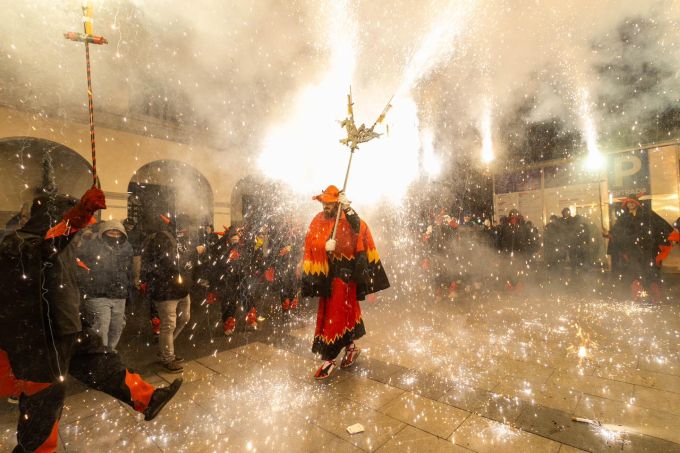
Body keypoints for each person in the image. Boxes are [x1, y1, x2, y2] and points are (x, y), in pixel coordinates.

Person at [0, 188, 182, 453]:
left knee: (104, 364)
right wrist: (78, 217)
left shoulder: (56, 243)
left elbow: (60, 274)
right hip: (39, 341)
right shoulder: (19, 243)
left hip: (68, 328)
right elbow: (46, 247)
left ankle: (148, 399)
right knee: (44, 406)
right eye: (66, 219)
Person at [301, 185, 389, 380]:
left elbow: (361, 229)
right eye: (324, 203)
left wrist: (348, 209)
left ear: (337, 204)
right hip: (327, 275)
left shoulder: (347, 219)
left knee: (336, 314)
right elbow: (311, 241)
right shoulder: (317, 220)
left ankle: (329, 358)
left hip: (345, 275)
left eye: (330, 204)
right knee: (336, 313)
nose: (325, 206)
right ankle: (351, 348)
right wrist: (324, 246)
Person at [141, 214, 204, 373]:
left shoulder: (182, 238)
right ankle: (167, 357)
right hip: (166, 291)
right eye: (187, 225)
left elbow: (187, 265)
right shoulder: (163, 239)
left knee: (184, 318)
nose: (190, 229)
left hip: (181, 289)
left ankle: (165, 350)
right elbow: (173, 263)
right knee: (169, 325)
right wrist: (194, 252)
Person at [76, 220, 134, 352]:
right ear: (103, 231)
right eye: (111, 231)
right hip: (97, 294)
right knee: (101, 326)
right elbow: (79, 264)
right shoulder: (91, 246)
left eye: (117, 231)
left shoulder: (127, 247)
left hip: (119, 294)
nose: (114, 234)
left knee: (117, 326)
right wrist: (87, 282)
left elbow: (129, 270)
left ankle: (109, 352)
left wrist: (129, 290)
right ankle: (99, 355)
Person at [605, 194, 673, 301]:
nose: (630, 204)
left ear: (636, 203)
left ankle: (654, 297)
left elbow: (660, 224)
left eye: (632, 202)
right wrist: (609, 234)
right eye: (628, 203)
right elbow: (617, 232)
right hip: (632, 252)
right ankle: (638, 297)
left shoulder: (646, 215)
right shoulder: (624, 218)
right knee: (634, 273)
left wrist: (672, 233)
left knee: (649, 273)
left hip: (647, 250)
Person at [496, 209, 536, 292]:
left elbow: (530, 240)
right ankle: (509, 288)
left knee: (520, 272)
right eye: (512, 214)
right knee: (508, 272)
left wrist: (527, 250)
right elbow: (499, 240)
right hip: (507, 254)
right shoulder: (505, 227)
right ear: (509, 216)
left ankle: (519, 289)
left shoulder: (523, 227)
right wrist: (500, 250)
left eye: (515, 214)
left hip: (520, 254)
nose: (514, 216)